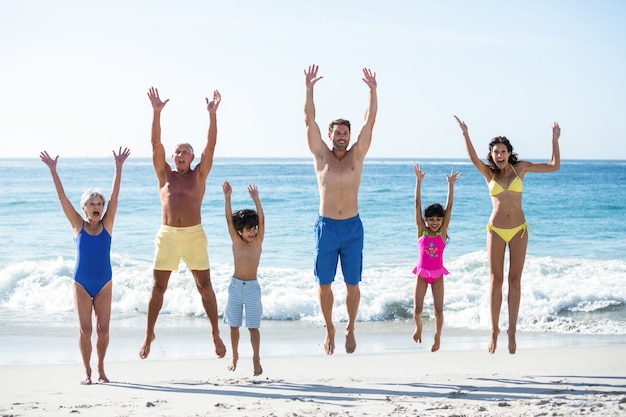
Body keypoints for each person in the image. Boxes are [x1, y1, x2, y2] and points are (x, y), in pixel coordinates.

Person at [453, 115, 561, 354]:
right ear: (491, 155)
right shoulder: (489, 174)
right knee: (495, 282)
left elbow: (554, 165)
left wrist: (554, 139)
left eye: (503, 151)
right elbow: (472, 158)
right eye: (495, 152)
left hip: (519, 230)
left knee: (515, 281)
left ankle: (512, 330)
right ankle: (494, 331)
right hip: (496, 231)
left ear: (509, 153)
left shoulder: (520, 168)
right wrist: (465, 133)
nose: (499, 155)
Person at [139, 87, 226, 360]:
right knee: (158, 287)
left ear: (191, 157)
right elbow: (155, 145)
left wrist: (212, 115)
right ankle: (148, 334)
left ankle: (215, 332)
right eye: (177, 152)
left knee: (205, 286)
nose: (180, 155)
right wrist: (156, 113)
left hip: (193, 235)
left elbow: (210, 146)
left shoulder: (199, 175)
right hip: (167, 235)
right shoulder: (163, 173)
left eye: (185, 152)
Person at [40, 147, 130, 385]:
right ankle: (86, 371)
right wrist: (53, 170)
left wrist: (118, 168)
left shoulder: (107, 224)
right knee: (85, 330)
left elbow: (116, 195)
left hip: (104, 283)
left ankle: (100, 368)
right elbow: (62, 198)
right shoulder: (77, 225)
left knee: (102, 331)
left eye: (99, 202)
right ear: (84, 208)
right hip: (81, 282)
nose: (97, 206)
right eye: (92, 203)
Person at [303, 64, 377, 355]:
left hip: (352, 228)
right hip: (326, 228)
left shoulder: (357, 155)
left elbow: (370, 122)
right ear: (330, 135)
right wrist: (309, 89)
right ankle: (329, 327)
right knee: (324, 284)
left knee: (352, 284)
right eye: (338, 133)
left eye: (346, 132)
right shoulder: (321, 155)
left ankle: (350, 327)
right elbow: (309, 120)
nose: (342, 136)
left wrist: (372, 91)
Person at [412, 164, 461, 352]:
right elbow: (417, 204)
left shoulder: (442, 234)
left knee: (438, 311)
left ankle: (437, 336)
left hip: (438, 275)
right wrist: (418, 181)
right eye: (431, 219)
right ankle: (419, 327)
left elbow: (449, 208)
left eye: (438, 220)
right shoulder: (421, 231)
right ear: (425, 220)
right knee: (417, 310)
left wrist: (451, 185)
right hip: (422, 275)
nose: (434, 222)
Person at [222, 181, 265, 376]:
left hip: (252, 288)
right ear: (241, 230)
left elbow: (262, 222)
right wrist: (227, 197)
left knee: (253, 327)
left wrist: (256, 200)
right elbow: (228, 221)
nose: (252, 232)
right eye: (248, 229)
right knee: (234, 325)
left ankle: (256, 358)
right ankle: (235, 356)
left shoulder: (258, 241)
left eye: (253, 228)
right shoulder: (236, 241)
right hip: (236, 286)